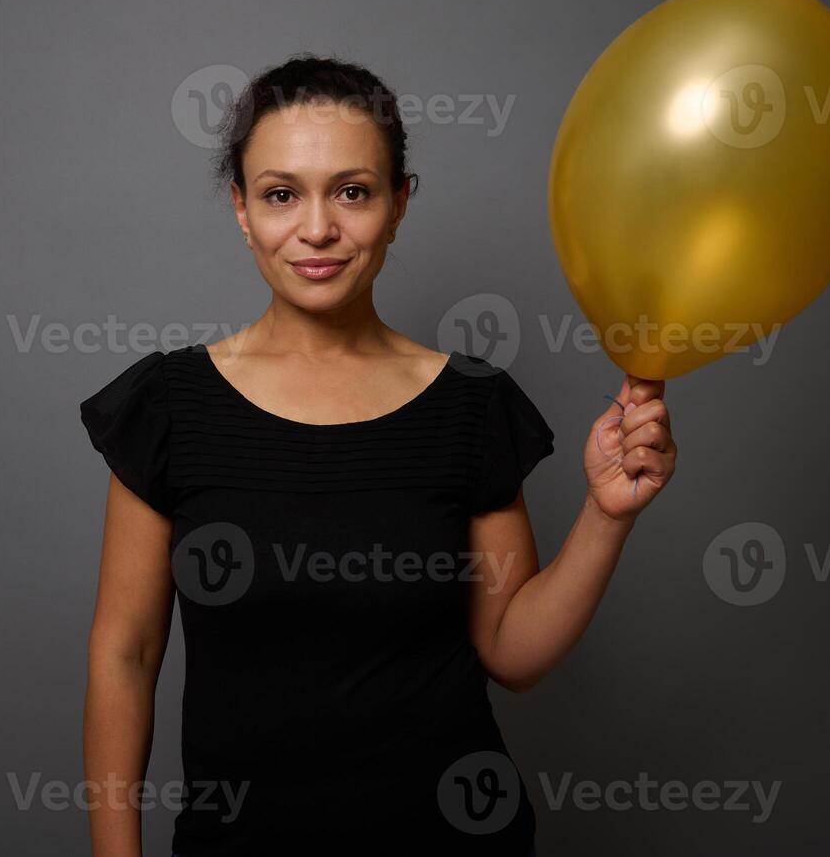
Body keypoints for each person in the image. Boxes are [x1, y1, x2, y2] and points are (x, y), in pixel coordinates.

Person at [79, 55, 677, 856]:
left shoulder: (471, 402)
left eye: (352, 191)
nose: (317, 228)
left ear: (399, 204)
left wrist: (606, 516)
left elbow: (511, 652)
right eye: (281, 194)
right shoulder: (169, 406)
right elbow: (125, 653)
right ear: (241, 209)